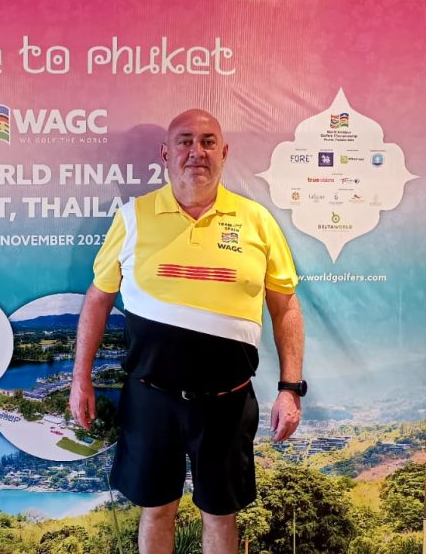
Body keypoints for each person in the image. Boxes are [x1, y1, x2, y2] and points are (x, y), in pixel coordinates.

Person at [69, 109, 306, 554]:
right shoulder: (133, 218)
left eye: (208, 141)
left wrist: (290, 389)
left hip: (228, 402)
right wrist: (81, 377)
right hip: (150, 399)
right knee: (157, 510)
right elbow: (98, 299)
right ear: (166, 153)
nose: (196, 152)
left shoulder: (257, 221)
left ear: (224, 152)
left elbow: (286, 306)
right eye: (185, 141)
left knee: (220, 513)